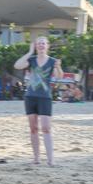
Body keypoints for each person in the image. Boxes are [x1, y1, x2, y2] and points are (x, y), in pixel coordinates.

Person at [14, 36, 63, 166]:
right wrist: (30, 52)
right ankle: (36, 158)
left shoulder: (52, 61)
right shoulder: (31, 60)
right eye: (38, 44)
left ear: (47, 46)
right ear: (36, 46)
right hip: (30, 96)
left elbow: (59, 76)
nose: (41, 45)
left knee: (46, 128)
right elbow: (17, 65)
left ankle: (50, 159)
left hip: (45, 97)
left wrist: (58, 67)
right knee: (33, 128)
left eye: (43, 43)